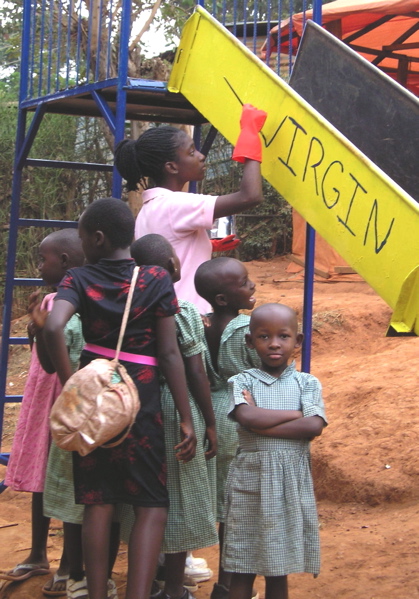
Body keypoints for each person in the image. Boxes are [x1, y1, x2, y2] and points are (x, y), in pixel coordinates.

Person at [43, 198, 196, 599]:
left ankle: (96, 594)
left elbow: (55, 326)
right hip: (139, 400)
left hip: (93, 399)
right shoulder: (154, 279)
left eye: (81, 237)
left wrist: (70, 386)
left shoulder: (76, 278)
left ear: (96, 238)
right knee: (150, 504)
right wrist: (186, 416)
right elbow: (168, 354)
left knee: (99, 501)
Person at [118, 234, 218, 599]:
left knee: (143, 495)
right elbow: (195, 371)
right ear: (173, 267)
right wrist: (205, 419)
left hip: (135, 405)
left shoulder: (127, 307)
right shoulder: (181, 310)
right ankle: (174, 587)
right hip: (174, 406)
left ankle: (149, 576)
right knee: (179, 494)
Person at [114, 104, 267, 314]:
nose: (201, 156)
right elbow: (250, 196)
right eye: (192, 152)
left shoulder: (149, 208)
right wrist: (250, 135)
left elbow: (171, 249)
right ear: (172, 167)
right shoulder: (175, 204)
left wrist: (205, 245)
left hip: (170, 314)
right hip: (192, 317)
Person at [0, 230, 85, 597]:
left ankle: (68, 562)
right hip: (42, 393)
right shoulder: (51, 300)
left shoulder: (69, 301)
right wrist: (36, 325)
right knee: (41, 470)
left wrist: (41, 324)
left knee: (63, 476)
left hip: (61, 393)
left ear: (64, 262)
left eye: (43, 258)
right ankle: (38, 553)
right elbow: (41, 350)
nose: (38, 265)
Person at [223, 303, 327, 599]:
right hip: (251, 483)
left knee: (277, 568)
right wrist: (298, 414)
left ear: (298, 341)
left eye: (283, 336)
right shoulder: (241, 381)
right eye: (263, 336)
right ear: (249, 341)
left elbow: (314, 427)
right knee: (242, 566)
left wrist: (261, 423)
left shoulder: (307, 382)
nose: (274, 344)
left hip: (288, 485)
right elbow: (247, 418)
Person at [194, 258, 260, 599]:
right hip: (241, 416)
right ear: (222, 298)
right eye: (244, 282)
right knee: (238, 511)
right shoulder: (244, 330)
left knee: (223, 503)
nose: (252, 286)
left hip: (214, 413)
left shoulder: (202, 325)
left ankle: (224, 585)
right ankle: (230, 586)